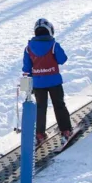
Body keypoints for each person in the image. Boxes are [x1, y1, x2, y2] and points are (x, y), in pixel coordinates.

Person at [22, 17, 74, 145]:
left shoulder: (28, 48)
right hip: (54, 82)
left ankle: (39, 134)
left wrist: (26, 88)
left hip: (38, 84)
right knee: (59, 105)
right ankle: (66, 130)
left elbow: (26, 69)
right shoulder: (53, 45)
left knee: (40, 108)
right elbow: (62, 59)